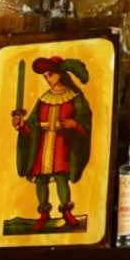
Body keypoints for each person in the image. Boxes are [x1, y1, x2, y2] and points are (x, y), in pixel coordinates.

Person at [9, 56, 95, 234]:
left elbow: (85, 119)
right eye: (45, 76)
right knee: (41, 179)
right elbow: (32, 124)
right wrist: (21, 125)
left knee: (61, 176)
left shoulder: (74, 97)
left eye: (50, 74)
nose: (47, 78)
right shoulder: (43, 99)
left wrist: (75, 125)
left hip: (62, 144)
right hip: (43, 143)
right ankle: (44, 214)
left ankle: (66, 212)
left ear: (60, 75)